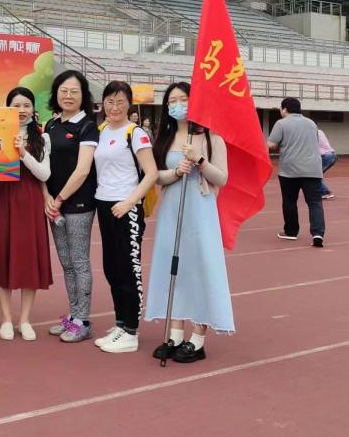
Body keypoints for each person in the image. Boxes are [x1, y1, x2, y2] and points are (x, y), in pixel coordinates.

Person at [145, 82, 233, 364]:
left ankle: (198, 337)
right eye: (172, 101)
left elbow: (222, 178)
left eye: (183, 99)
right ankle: (175, 333)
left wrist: (200, 161)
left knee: (200, 268)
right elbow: (154, 175)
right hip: (172, 211)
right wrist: (175, 172)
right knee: (174, 268)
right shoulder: (165, 138)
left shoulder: (211, 138)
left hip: (200, 211)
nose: (177, 105)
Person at [0, 87, 52, 341]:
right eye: (16, 105)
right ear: (7, 108)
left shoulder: (42, 137)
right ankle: (7, 319)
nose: (21, 110)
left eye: (26, 105)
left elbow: (44, 174)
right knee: (3, 258)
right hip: (2, 200)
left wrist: (23, 153)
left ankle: (25, 320)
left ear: (33, 109)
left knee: (29, 260)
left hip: (29, 201)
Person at [93, 81, 158, 353]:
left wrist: (129, 202)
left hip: (126, 207)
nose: (115, 107)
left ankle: (131, 331)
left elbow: (152, 173)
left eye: (120, 102)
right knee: (111, 267)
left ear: (129, 104)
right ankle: (120, 323)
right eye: (110, 101)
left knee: (129, 269)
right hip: (104, 204)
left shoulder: (135, 133)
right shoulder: (100, 131)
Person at [43, 70, 99, 343]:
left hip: (78, 203)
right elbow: (42, 165)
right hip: (54, 205)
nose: (68, 95)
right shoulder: (51, 125)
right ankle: (74, 315)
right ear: (56, 93)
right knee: (66, 263)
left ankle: (83, 321)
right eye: (63, 90)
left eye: (74, 91)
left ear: (83, 95)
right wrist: (46, 197)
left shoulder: (87, 126)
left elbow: (83, 170)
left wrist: (59, 199)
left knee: (79, 261)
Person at [268, 98, 326, 247]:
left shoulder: (281, 123)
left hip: (290, 170)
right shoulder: (311, 123)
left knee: (289, 201)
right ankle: (318, 234)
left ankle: (291, 232)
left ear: (285, 109)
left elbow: (271, 144)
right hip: (313, 169)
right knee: (315, 202)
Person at [318, 129, 337, 200]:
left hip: (326, 156)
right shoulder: (320, 131)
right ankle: (321, 191)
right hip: (332, 155)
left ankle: (325, 192)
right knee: (318, 174)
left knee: (315, 175)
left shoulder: (311, 133)